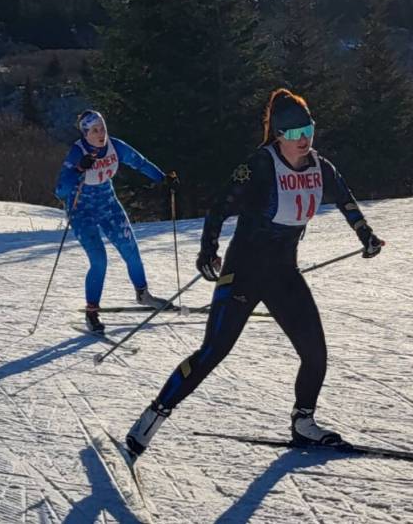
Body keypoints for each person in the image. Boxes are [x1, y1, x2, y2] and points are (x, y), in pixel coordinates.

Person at [124, 88, 384, 458]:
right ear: (278, 135)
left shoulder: (320, 167)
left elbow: (345, 200)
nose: (303, 140)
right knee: (213, 351)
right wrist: (208, 250)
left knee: (315, 354)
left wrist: (366, 235)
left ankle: (303, 423)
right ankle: (154, 415)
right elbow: (219, 207)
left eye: (308, 129)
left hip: (283, 275)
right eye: (293, 134)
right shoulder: (260, 165)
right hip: (243, 274)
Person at [54, 110, 178, 333]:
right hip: (82, 211)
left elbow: (139, 163)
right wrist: (79, 169)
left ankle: (143, 294)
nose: (101, 134)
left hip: (109, 206)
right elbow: (60, 190)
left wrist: (162, 179)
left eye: (102, 128)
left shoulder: (115, 146)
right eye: (95, 130)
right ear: (85, 133)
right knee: (99, 260)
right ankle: (92, 313)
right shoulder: (77, 153)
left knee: (131, 250)